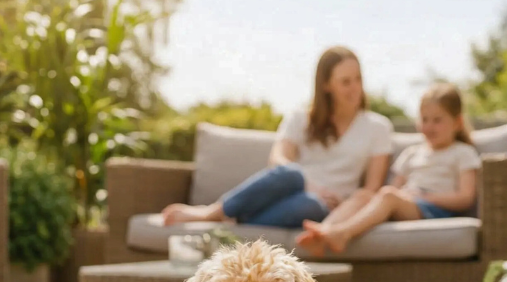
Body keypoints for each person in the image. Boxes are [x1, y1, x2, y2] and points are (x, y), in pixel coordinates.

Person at [160, 46, 394, 229]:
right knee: (291, 173)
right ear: (326, 85)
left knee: (308, 206)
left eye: (358, 79)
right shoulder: (300, 118)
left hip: (327, 205)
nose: (355, 88)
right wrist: (309, 185)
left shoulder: (378, 127)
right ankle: (213, 213)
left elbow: (372, 189)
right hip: (295, 186)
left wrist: (345, 207)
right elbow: (278, 160)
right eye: (345, 81)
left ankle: (233, 219)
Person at [296, 82, 481, 254]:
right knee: (363, 195)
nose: (429, 126)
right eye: (425, 119)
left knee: (388, 195)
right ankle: (324, 232)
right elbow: (396, 187)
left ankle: (342, 234)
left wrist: (424, 197)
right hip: (408, 203)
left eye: (437, 120)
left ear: (457, 123)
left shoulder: (462, 153)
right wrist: (396, 197)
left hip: (434, 210)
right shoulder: (412, 153)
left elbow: (466, 197)